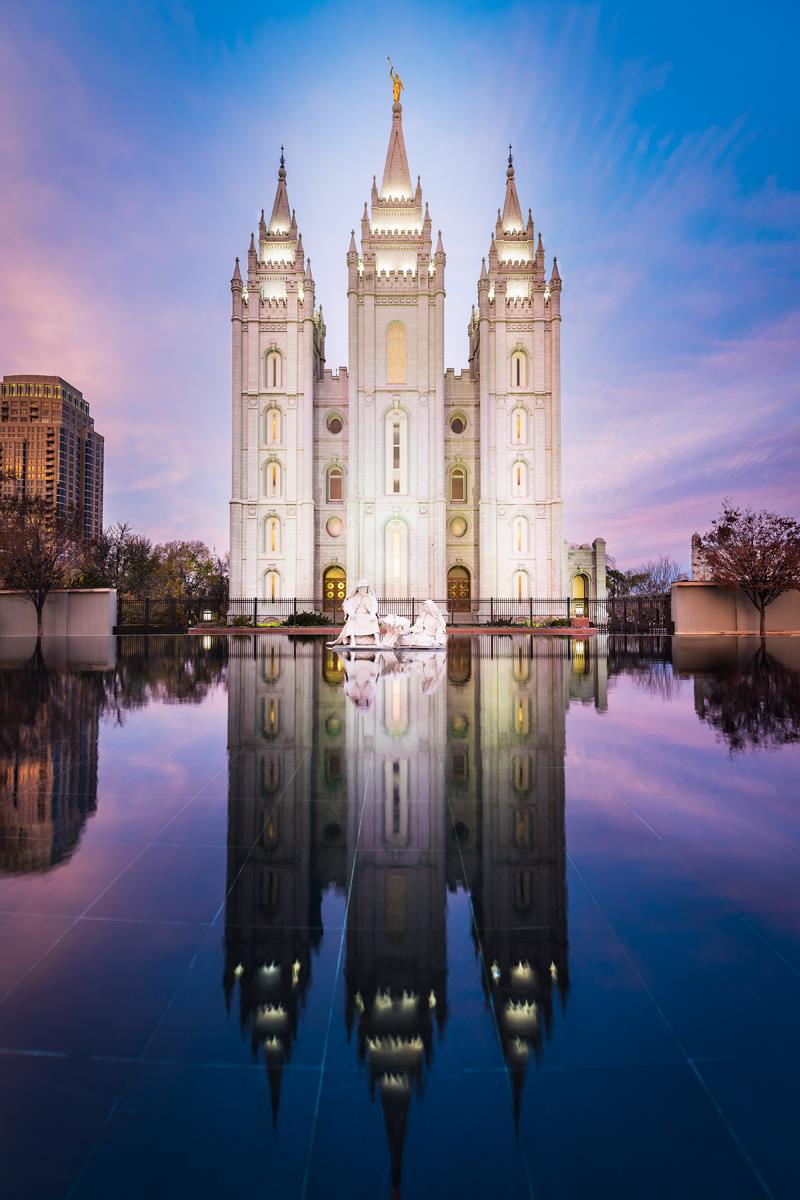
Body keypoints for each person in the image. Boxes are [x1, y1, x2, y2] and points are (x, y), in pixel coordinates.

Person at [333, 580, 381, 646]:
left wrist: (372, 613)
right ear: (358, 589)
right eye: (362, 589)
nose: (364, 590)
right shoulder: (354, 597)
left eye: (365, 588)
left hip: (367, 615)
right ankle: (353, 640)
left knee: (374, 619)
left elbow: (374, 605)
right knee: (351, 619)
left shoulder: (370, 596)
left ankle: (377, 639)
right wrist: (351, 613)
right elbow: (348, 606)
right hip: (356, 616)